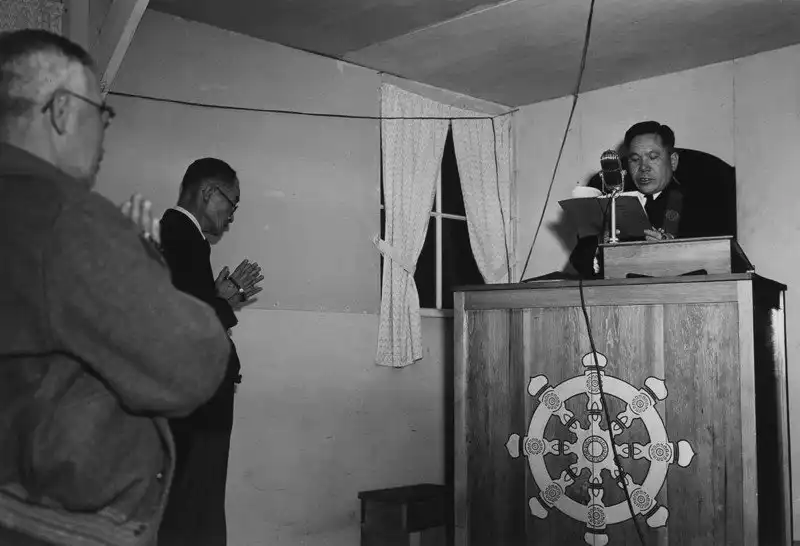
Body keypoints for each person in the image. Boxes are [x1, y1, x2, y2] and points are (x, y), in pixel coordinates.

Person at [0, 29, 231, 546]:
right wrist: (143, 257)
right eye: (100, 114)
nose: (104, 134)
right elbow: (193, 361)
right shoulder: (68, 219)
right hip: (58, 523)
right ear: (62, 112)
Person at [157, 158, 263, 546]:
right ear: (208, 193)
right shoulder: (180, 238)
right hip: (197, 406)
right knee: (195, 509)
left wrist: (216, 298)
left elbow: (183, 306)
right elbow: (184, 325)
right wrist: (223, 302)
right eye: (231, 203)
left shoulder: (179, 236)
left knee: (192, 506)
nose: (231, 215)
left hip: (191, 400)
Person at [569, 121, 736, 277]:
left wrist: (673, 249)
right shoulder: (613, 203)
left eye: (653, 157)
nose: (643, 167)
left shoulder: (701, 201)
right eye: (635, 159)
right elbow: (580, 262)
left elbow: (721, 259)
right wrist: (601, 249)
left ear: (673, 161)